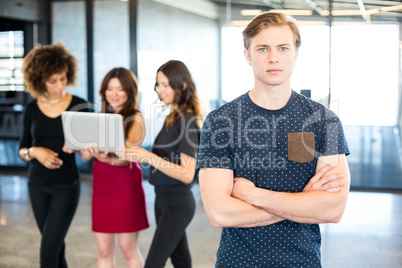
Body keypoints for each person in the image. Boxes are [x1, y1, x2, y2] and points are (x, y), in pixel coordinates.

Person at [197, 12, 351, 267]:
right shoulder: (219, 121)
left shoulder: (325, 121)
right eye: (262, 48)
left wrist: (251, 194)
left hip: (301, 262)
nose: (273, 57)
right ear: (247, 55)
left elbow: (332, 209)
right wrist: (303, 201)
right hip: (237, 262)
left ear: (296, 53)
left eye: (282, 47)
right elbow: (218, 212)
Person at [117, 60, 201, 268]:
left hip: (177, 203)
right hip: (163, 199)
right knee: (181, 260)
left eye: (165, 84)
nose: (160, 90)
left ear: (181, 85)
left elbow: (187, 174)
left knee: (153, 264)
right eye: (158, 84)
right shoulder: (173, 115)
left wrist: (147, 157)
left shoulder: (187, 121)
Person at [18, 43, 92, 267]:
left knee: (48, 253)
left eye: (63, 78)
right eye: (53, 81)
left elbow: (87, 154)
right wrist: (34, 151)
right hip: (37, 184)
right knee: (56, 248)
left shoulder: (80, 106)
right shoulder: (31, 109)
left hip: (66, 186)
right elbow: (22, 149)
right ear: (40, 80)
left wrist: (81, 148)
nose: (60, 85)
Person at [84, 67, 149, 267]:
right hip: (102, 186)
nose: (114, 94)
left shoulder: (136, 118)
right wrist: (76, 146)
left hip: (125, 187)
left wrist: (102, 158)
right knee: (104, 249)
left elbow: (125, 158)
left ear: (129, 91)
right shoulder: (99, 117)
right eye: (109, 89)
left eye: (120, 89)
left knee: (127, 249)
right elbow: (86, 154)